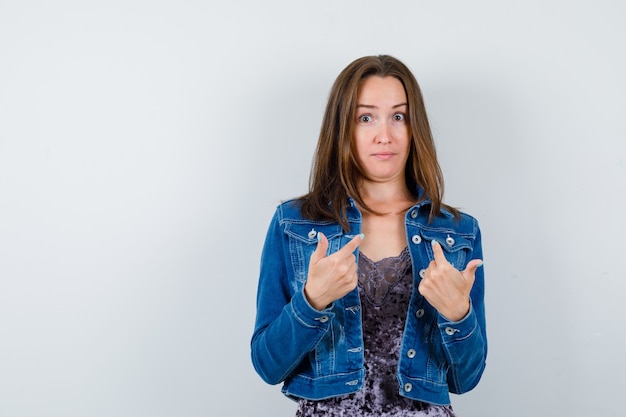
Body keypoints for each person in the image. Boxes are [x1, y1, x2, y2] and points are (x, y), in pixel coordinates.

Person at [251, 55, 487, 417]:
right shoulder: (293, 224)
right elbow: (268, 365)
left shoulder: (458, 231)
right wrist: (312, 301)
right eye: (366, 117)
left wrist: (458, 314)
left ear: (414, 127)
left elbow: (465, 380)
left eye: (398, 116)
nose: (384, 135)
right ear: (343, 127)